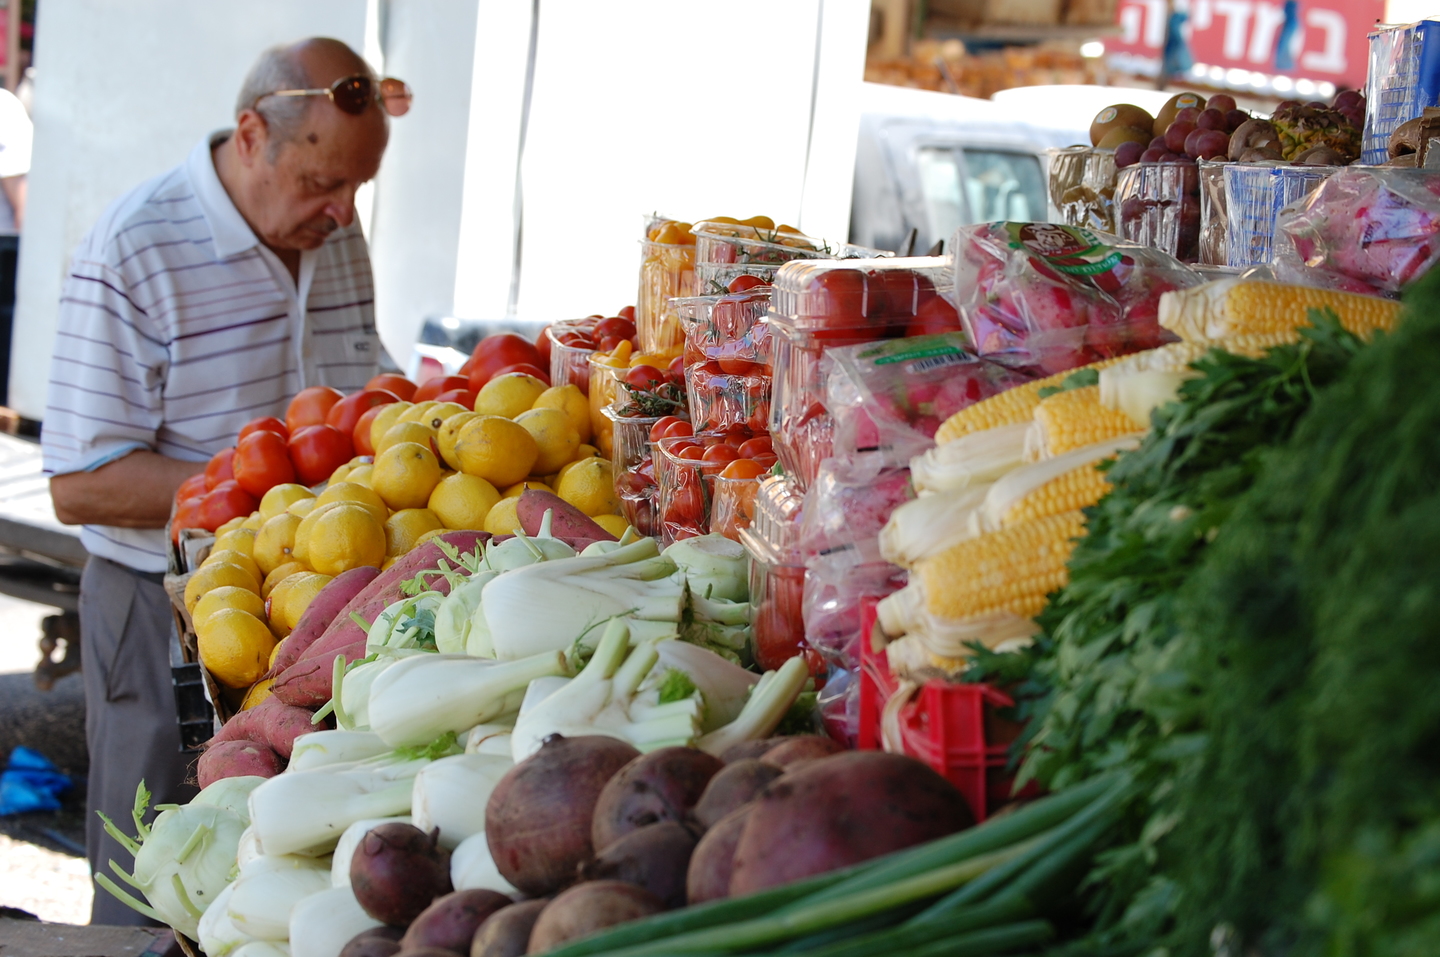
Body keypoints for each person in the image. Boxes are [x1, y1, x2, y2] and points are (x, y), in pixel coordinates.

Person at [41, 37, 410, 925]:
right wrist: (266, 500)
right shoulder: (134, 248)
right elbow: (82, 483)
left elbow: (357, 387)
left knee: (281, 864)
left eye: (358, 188)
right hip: (156, 607)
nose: (342, 209)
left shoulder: (334, 232)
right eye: (323, 184)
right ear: (252, 136)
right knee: (153, 867)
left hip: (308, 605)